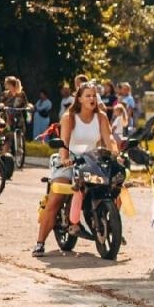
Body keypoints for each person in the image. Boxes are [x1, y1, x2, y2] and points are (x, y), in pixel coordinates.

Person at [34, 83, 117, 256]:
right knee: (56, 197)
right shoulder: (69, 117)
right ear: (79, 98)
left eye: (94, 95)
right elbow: (64, 142)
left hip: (92, 160)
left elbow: (108, 138)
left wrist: (115, 152)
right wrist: (65, 159)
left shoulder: (101, 116)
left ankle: (111, 227)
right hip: (70, 159)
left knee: (110, 187)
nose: (92, 99)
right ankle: (40, 242)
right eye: (87, 96)